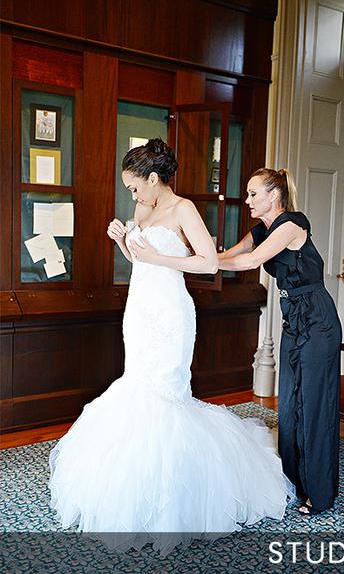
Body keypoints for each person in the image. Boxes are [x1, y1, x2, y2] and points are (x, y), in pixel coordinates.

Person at [48, 139, 293, 555]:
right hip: (139, 311)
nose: (133, 196)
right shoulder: (143, 211)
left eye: (134, 187)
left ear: (153, 178)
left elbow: (208, 263)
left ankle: (174, 498)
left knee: (165, 394)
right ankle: (131, 488)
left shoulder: (183, 209)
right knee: (136, 387)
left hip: (170, 314)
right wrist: (121, 241)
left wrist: (158, 258)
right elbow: (140, 259)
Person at [218, 168, 341, 516]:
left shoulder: (291, 225)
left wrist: (202, 263)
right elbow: (231, 254)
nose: (247, 200)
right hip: (293, 319)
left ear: (274, 195)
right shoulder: (262, 229)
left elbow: (252, 260)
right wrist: (191, 261)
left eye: (253, 194)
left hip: (317, 320)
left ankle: (319, 494)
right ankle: (294, 482)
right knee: (288, 405)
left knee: (313, 405)